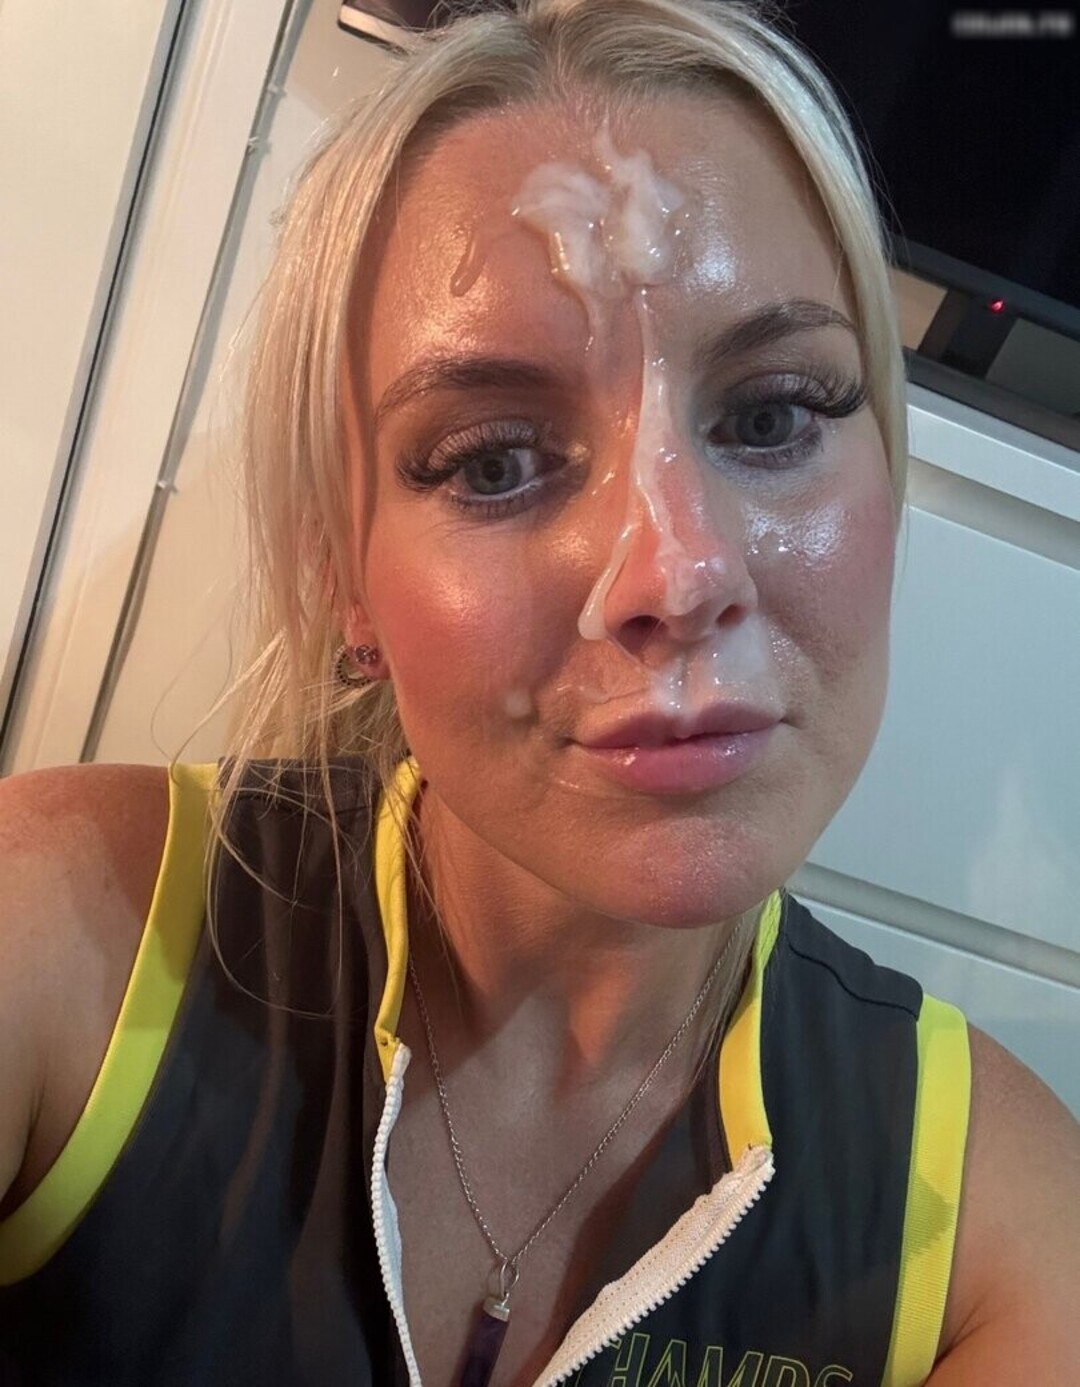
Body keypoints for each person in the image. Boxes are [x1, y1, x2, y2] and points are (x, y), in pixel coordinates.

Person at [1, 1, 1077, 1383]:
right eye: (494, 460)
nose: (678, 574)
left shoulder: (1001, 1222)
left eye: (771, 418)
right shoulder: (59, 942)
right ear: (345, 577)